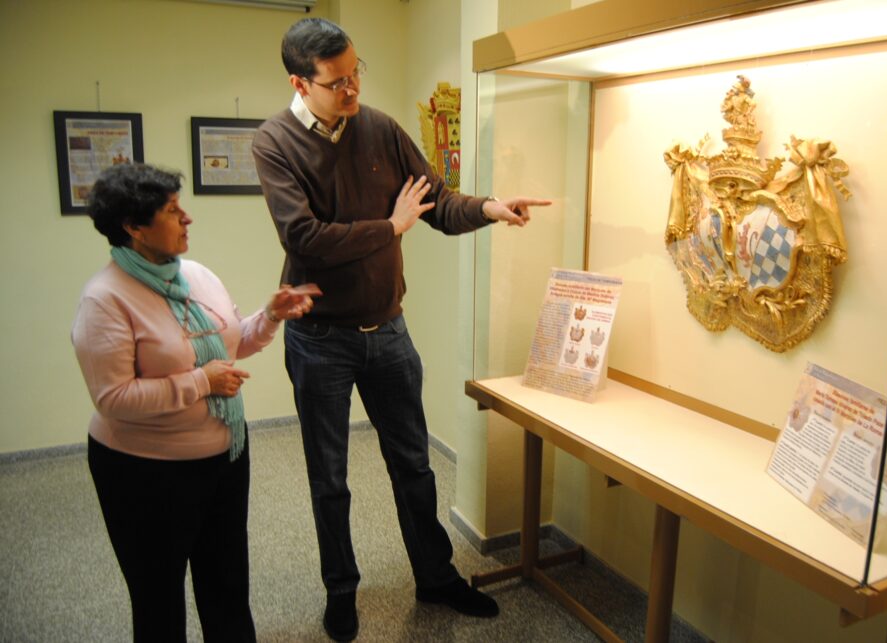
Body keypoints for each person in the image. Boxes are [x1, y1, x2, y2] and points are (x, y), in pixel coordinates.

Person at [251, 16, 551, 643]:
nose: (353, 89)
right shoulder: (274, 143)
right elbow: (303, 237)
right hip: (321, 340)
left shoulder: (380, 128)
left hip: (387, 331)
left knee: (413, 464)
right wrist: (388, 228)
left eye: (357, 72)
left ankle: (435, 577)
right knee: (329, 478)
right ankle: (342, 591)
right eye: (338, 82)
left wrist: (491, 207)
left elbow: (433, 201)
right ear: (300, 83)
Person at [71, 163, 320, 643]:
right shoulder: (104, 300)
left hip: (225, 458)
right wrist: (200, 383)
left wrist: (270, 315)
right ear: (133, 227)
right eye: (171, 210)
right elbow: (113, 398)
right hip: (145, 474)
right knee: (159, 600)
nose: (188, 219)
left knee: (227, 588)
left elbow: (230, 343)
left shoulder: (197, 275)